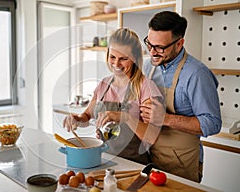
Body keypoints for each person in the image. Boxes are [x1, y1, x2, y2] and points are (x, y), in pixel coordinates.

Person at [140, 11, 222, 182]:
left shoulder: (197, 74)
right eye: (149, 44)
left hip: (181, 161)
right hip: (149, 156)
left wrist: (165, 118)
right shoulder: (148, 67)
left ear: (179, 44)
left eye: (160, 48)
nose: (152, 52)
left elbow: (212, 123)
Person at [63, 28, 163, 164]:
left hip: (133, 165)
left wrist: (125, 117)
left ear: (135, 58)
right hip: (102, 160)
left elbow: (152, 136)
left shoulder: (145, 87)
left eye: (123, 59)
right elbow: (87, 116)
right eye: (112, 57)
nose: (116, 64)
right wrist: (76, 119)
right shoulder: (104, 84)